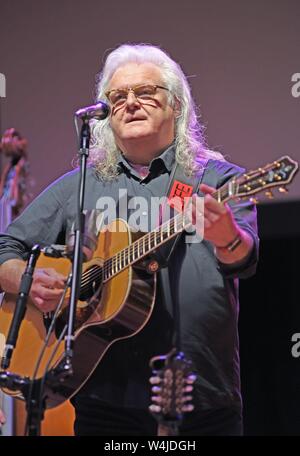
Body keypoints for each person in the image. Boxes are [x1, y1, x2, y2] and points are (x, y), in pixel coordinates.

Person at [0, 44, 258, 436]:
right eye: (117, 97)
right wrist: (27, 280)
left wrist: (228, 239)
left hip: (201, 397)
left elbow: (245, 259)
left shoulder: (217, 180)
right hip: (105, 401)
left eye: (146, 92)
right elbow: (6, 247)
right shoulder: (82, 185)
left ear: (176, 104)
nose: (130, 103)